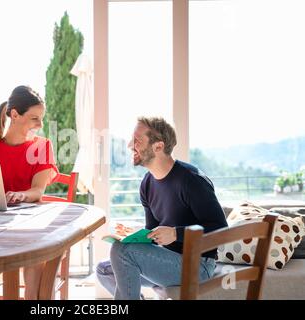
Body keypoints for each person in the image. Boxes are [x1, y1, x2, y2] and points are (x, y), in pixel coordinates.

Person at [96, 117, 228, 300]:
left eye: (137, 141)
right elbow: (152, 232)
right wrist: (133, 235)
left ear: (158, 146)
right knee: (104, 270)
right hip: (166, 259)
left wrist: (176, 233)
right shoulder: (147, 184)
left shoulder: (191, 180)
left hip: (198, 265)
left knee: (122, 252)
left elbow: (221, 229)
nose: (129, 145)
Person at [0, 85, 59, 299]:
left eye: (41, 119)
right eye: (34, 118)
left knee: (35, 253)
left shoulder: (42, 146)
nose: (40, 125)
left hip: (29, 224)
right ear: (14, 114)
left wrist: (21, 195)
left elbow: (38, 191)